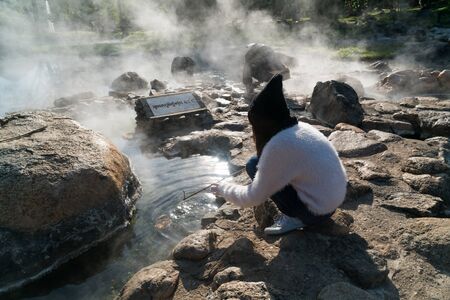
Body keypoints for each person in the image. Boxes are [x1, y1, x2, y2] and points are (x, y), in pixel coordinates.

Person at [211, 74, 348, 235]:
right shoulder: (301, 128)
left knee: (254, 167)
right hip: (335, 198)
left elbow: (253, 198)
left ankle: (295, 218)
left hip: (317, 212)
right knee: (254, 163)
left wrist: (223, 188)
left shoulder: (279, 147)